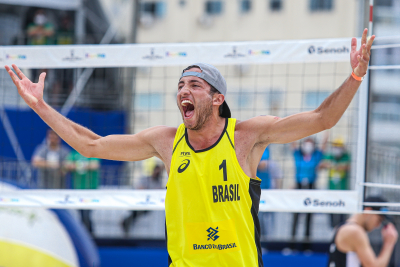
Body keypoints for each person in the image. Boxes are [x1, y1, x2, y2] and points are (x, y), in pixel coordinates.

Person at [5, 29, 374, 266]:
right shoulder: (165, 141)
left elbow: (323, 119)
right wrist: (40, 106)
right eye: (181, 85)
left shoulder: (246, 136)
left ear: (217, 99)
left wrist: (355, 76)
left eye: (195, 85)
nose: (184, 90)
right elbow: (90, 145)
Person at [328, 196, 398, 267]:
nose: (378, 225)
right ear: (368, 210)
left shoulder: (341, 227)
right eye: (379, 220)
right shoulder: (355, 231)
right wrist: (389, 243)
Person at [291, 136, 326, 242]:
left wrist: (328, 131)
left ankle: (306, 245)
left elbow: (324, 144)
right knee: (296, 216)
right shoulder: (298, 155)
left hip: (311, 186)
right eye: (306, 142)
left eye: (310, 143)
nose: (308, 145)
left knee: (309, 217)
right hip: (299, 186)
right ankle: (292, 243)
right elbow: (292, 142)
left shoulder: (316, 156)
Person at [121, 158, 164, 236]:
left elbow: (157, 193)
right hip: (141, 201)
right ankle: (126, 223)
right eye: (156, 171)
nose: (157, 173)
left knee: (138, 211)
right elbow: (140, 188)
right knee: (135, 209)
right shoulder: (146, 179)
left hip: (150, 204)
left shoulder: (158, 182)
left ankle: (126, 222)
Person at [65, 150, 100, 234]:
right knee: (82, 213)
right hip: (78, 189)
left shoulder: (92, 153)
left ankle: (88, 234)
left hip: (90, 189)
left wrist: (77, 165)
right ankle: (88, 234)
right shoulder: (74, 154)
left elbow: (95, 165)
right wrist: (85, 165)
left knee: (86, 213)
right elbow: (67, 166)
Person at [321, 137, 351, 227]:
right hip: (331, 191)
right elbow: (321, 165)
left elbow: (347, 166)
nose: (336, 149)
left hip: (343, 191)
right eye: (335, 147)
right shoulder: (330, 156)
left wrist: (334, 165)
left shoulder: (346, 156)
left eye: (338, 147)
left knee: (342, 218)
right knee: (332, 217)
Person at [257, 147, 282, 238]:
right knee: (257, 218)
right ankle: (259, 241)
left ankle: (267, 241)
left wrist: (277, 192)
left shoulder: (271, 163)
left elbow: (277, 176)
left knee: (268, 219)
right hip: (255, 191)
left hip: (267, 192)